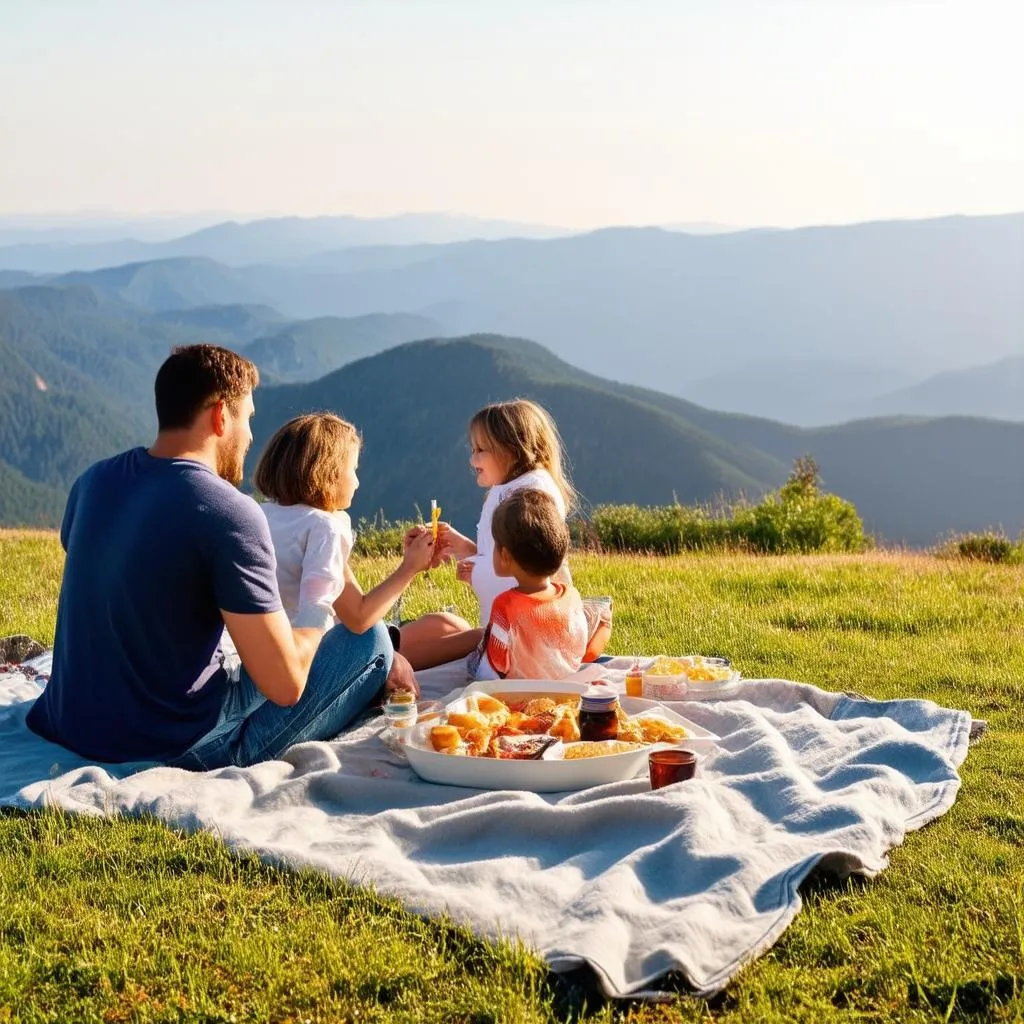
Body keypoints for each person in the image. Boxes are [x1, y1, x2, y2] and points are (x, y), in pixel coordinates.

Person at [26, 344, 419, 770]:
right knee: (372, 641)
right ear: (219, 415)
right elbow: (286, 685)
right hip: (172, 742)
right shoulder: (227, 511)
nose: (250, 435)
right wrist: (317, 612)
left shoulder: (93, 482)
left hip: (71, 721)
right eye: (247, 418)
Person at [253, 412, 435, 635]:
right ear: (329, 474)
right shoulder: (323, 528)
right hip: (304, 653)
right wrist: (410, 568)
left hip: (256, 650)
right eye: (353, 470)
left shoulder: (260, 514)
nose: (357, 483)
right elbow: (359, 618)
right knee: (377, 637)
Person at [436, 399, 576, 627]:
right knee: (441, 625)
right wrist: (464, 549)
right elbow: (506, 556)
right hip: (506, 627)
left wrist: (477, 571)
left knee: (440, 626)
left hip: (520, 631)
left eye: (480, 450)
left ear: (511, 450)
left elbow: (528, 571)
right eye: (473, 450)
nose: (472, 459)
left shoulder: (530, 496)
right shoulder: (508, 489)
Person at [473, 489, 588, 679]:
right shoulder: (571, 597)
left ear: (505, 556)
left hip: (518, 696)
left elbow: (498, 662)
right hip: (564, 688)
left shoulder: (505, 605)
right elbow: (580, 647)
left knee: (475, 660)